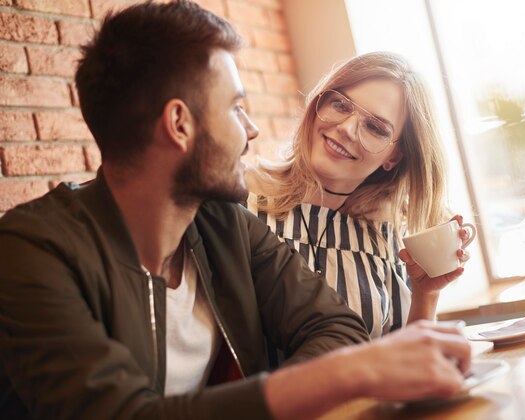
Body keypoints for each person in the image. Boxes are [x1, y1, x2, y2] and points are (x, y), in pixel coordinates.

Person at [0, 1, 471, 419]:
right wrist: (347, 373)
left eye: (374, 127)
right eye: (236, 107)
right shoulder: (30, 251)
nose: (251, 131)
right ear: (179, 124)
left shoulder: (222, 224)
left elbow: (337, 326)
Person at [247, 51, 470, 337]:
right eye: (340, 105)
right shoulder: (246, 206)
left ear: (395, 156)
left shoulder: (390, 236)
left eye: (375, 128)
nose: (346, 129)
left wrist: (426, 293)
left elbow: (406, 362)